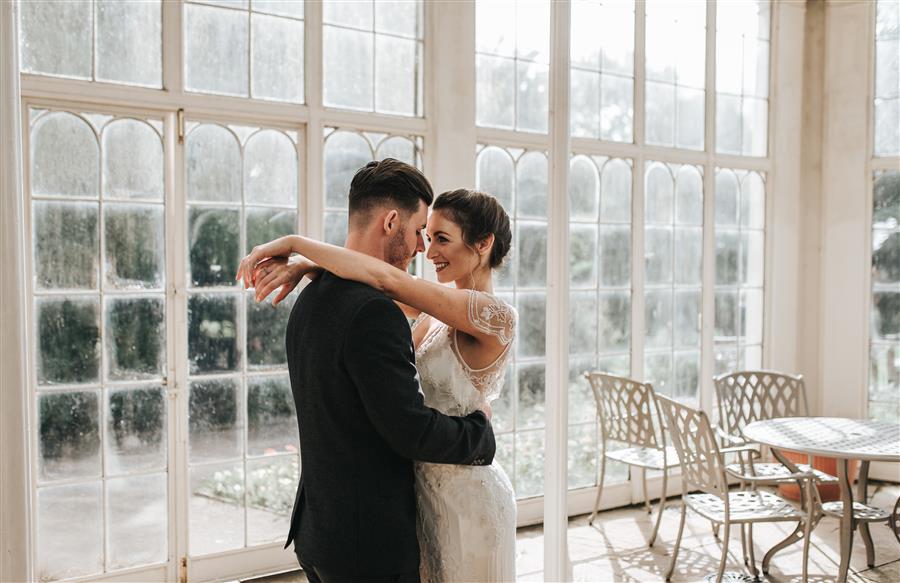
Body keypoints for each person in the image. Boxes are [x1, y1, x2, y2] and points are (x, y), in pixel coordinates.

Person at [238, 180, 518, 582]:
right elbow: (373, 278)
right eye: (425, 234)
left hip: (466, 495)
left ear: (483, 243)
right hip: (421, 498)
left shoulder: (494, 315)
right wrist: (308, 266)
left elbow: (385, 281)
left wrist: (295, 244)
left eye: (441, 238)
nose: (429, 250)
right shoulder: (434, 310)